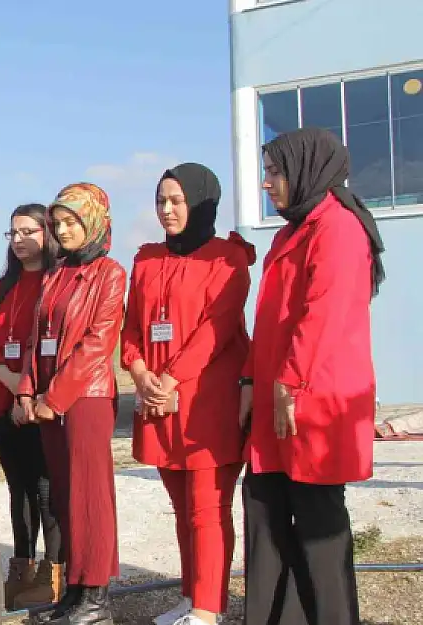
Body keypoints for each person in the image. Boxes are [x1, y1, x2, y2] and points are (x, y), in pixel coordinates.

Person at [241, 128, 385, 625]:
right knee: (265, 512)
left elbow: (322, 314)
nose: (267, 183)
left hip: (313, 404)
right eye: (266, 172)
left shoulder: (339, 229)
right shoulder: (291, 231)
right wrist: (251, 385)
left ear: (308, 170)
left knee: (320, 530)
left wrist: (288, 385)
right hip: (280, 400)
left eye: (276, 172)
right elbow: (269, 319)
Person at [120, 164, 255, 625]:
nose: (167, 209)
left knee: (208, 508)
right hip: (158, 398)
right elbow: (133, 326)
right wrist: (140, 374)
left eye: (177, 201)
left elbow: (216, 329)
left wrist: (171, 379)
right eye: (161, 200)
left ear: (201, 203)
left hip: (205, 400)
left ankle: (209, 606)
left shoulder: (227, 258)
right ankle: (189, 594)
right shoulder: (146, 258)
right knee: (181, 509)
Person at [17, 183, 126, 625]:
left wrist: (55, 397)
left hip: (85, 398)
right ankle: (75, 593)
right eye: (57, 223)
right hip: (47, 401)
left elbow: (97, 343)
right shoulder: (55, 274)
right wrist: (27, 389)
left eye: (71, 222)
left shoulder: (110, 273)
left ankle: (96, 598)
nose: (62, 231)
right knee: (64, 498)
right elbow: (35, 337)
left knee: (90, 497)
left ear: (94, 221)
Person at [0, 204, 63, 609]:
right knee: (19, 490)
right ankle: (21, 572)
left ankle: (54, 573)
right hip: (7, 403)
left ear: (47, 233)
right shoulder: (2, 288)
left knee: (47, 492)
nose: (21, 239)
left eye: (29, 231)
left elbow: (51, 344)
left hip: (43, 401)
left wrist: (29, 391)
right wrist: (9, 383)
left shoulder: (57, 281)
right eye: (13, 233)